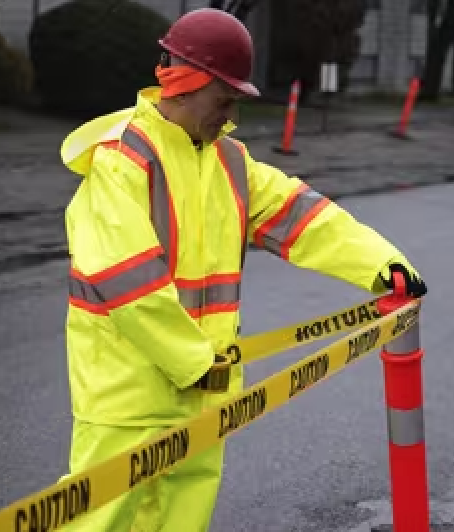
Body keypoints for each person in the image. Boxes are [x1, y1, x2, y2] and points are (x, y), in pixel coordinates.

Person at [60, 7, 427, 532]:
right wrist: (195, 362)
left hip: (204, 394)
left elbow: (304, 218)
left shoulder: (229, 160)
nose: (231, 114)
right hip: (127, 397)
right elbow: (126, 280)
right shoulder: (122, 161)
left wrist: (383, 264)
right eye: (225, 99)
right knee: (100, 522)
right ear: (184, 83)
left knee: (184, 520)